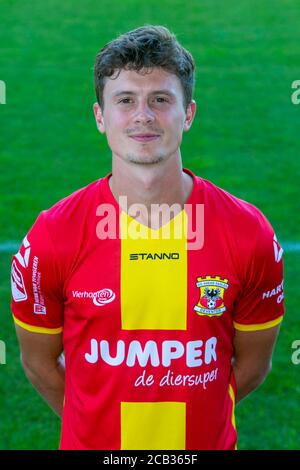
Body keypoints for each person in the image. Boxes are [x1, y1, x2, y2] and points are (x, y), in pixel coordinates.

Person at [11, 25, 284, 450]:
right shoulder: (52, 236)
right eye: (125, 101)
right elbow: (38, 363)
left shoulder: (248, 234)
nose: (143, 116)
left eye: (161, 99)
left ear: (188, 113)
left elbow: (251, 366)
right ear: (100, 117)